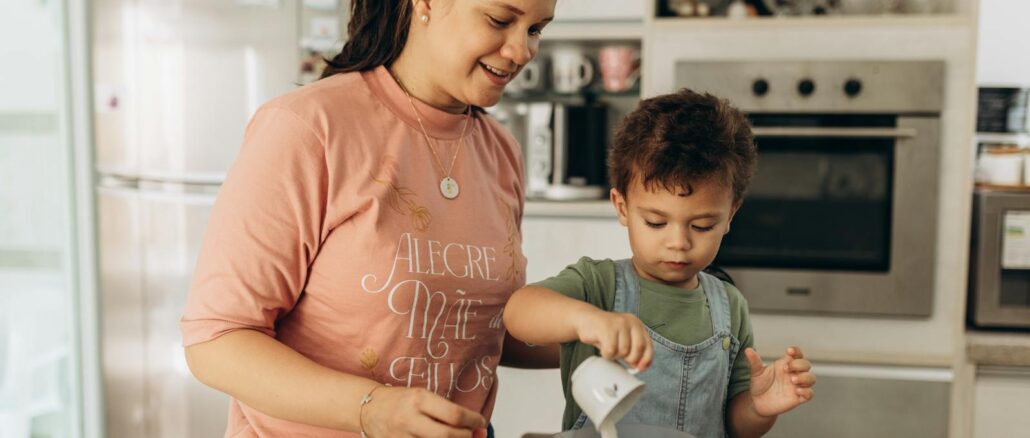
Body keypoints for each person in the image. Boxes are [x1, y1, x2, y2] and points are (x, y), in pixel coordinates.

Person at [180, 1, 557, 437]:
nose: (522, 50)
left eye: (536, 30)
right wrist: (371, 408)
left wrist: (615, 336)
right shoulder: (308, 127)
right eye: (500, 20)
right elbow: (216, 340)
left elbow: (471, 327)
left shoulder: (499, 151)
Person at [502, 89, 817, 438]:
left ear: (731, 214)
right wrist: (585, 320)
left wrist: (759, 407)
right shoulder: (599, 285)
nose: (678, 243)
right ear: (621, 207)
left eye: (702, 226)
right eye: (655, 222)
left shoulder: (730, 308)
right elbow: (518, 313)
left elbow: (735, 426)